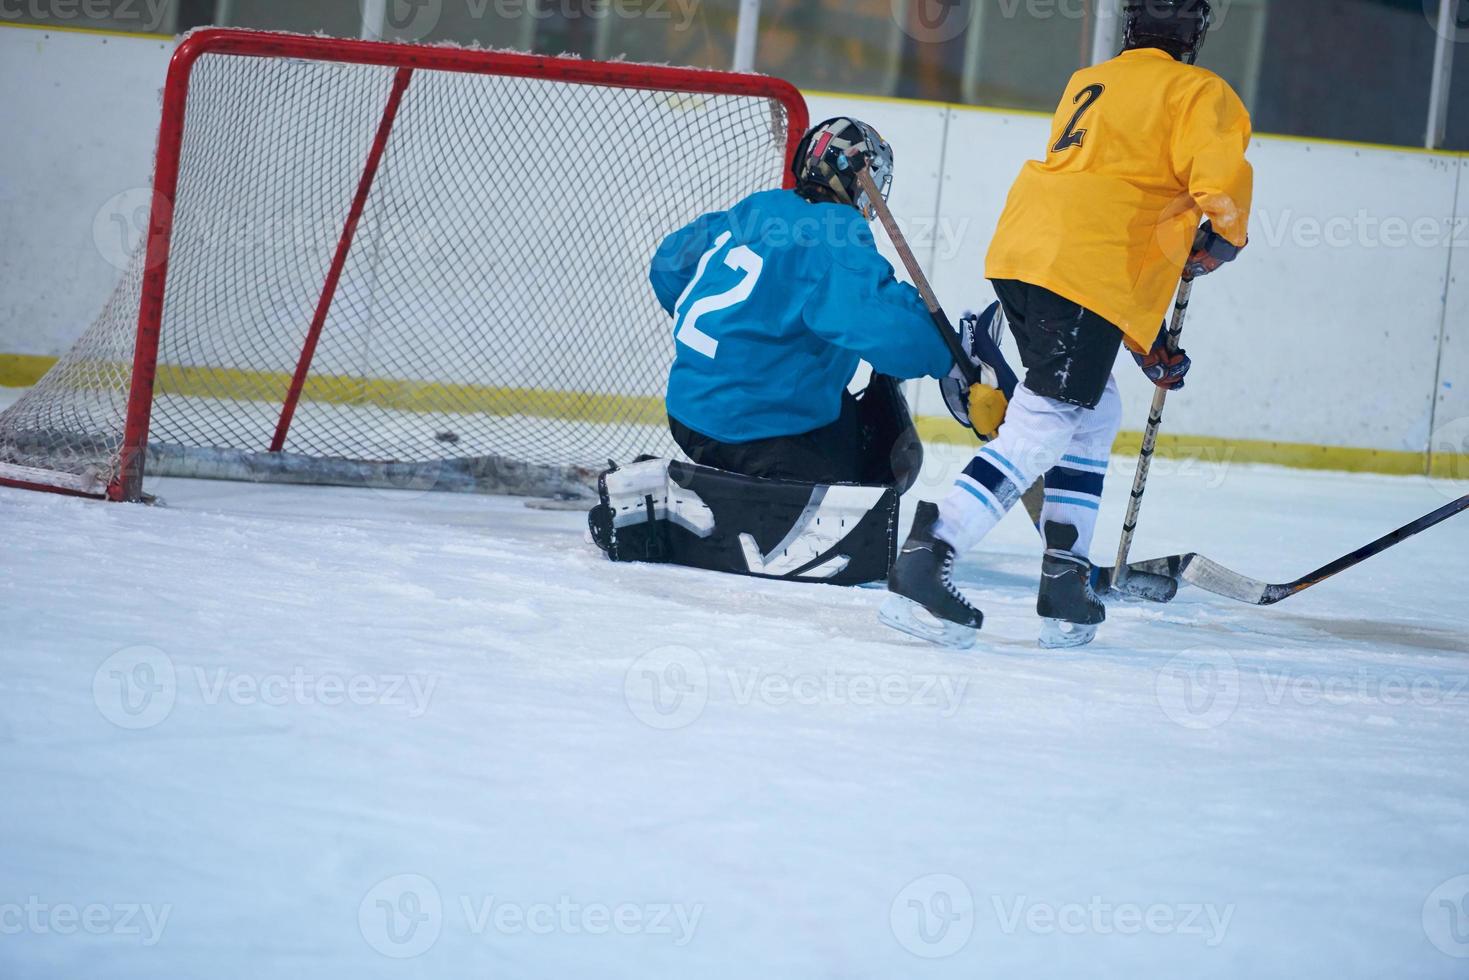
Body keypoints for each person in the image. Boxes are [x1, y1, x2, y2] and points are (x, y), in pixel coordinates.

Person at [881, 0, 1254, 649]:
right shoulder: (1198, 90)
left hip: (1025, 253)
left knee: (1093, 408)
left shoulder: (1090, 80)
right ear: (1194, 31)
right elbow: (1213, 185)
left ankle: (1064, 578)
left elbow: (1105, 195)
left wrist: (1146, 340)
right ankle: (927, 553)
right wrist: (1225, 237)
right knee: (1048, 418)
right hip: (1082, 270)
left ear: (1131, 26)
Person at [648, 117, 961, 489]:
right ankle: (700, 504)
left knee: (841, 419)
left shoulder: (761, 206)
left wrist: (737, 326)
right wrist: (947, 353)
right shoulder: (835, 230)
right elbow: (881, 322)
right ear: (855, 177)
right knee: (871, 469)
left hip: (688, 409)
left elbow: (668, 266)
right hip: (754, 428)